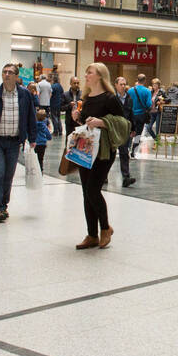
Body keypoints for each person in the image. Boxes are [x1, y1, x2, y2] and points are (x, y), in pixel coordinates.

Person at [0, 64, 39, 223]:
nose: (7, 75)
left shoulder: (24, 95)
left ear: (17, 77)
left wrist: (32, 138)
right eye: (4, 72)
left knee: (8, 176)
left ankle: (3, 204)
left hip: (14, 141)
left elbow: (31, 116)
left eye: (10, 72)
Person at [70, 62, 121, 249]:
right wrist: (78, 117)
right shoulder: (87, 98)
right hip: (86, 151)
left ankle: (105, 228)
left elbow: (123, 122)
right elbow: (86, 123)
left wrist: (103, 122)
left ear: (100, 75)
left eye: (89, 72)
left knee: (93, 190)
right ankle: (92, 234)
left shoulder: (110, 98)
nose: (86, 75)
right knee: (86, 192)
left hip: (104, 152)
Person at [113, 76, 136, 188]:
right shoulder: (112, 98)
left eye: (124, 84)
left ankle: (126, 177)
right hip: (113, 129)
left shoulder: (129, 98)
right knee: (110, 154)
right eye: (121, 84)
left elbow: (131, 113)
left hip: (124, 130)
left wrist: (133, 128)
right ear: (116, 85)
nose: (123, 86)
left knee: (124, 153)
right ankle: (103, 177)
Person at [126, 73, 154, 146]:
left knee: (130, 132)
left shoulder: (130, 90)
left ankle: (128, 148)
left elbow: (127, 103)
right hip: (141, 115)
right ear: (144, 81)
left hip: (131, 115)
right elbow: (148, 104)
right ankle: (134, 151)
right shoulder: (147, 91)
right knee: (138, 134)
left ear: (137, 80)